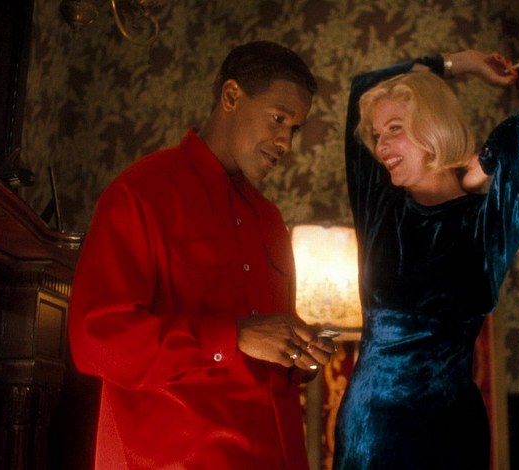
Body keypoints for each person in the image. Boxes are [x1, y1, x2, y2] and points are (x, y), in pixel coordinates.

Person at [68, 40, 335, 470]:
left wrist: (297, 356)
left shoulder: (269, 220)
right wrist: (233, 336)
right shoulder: (140, 194)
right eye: (278, 118)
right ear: (231, 96)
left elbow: (262, 349)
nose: (286, 141)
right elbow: (96, 341)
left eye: (295, 129)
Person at [333, 50, 519, 469]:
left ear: (433, 125)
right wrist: (461, 64)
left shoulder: (484, 224)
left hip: (452, 430)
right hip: (372, 428)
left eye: (396, 129)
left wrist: (483, 163)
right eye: (377, 135)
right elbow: (364, 85)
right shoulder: (379, 204)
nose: (382, 146)